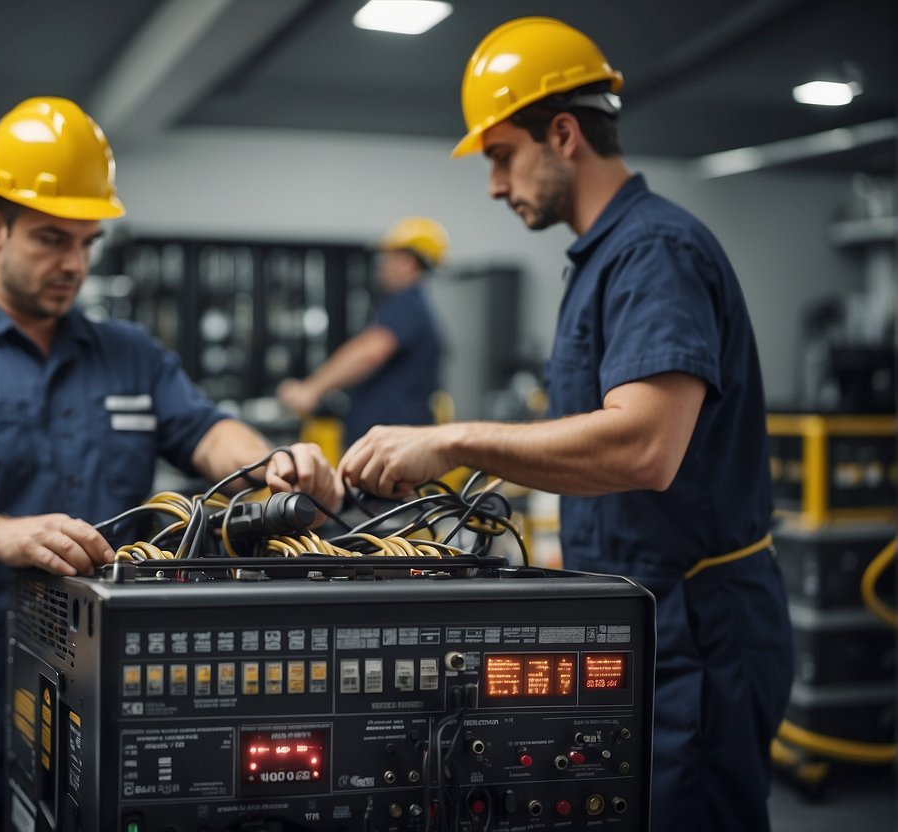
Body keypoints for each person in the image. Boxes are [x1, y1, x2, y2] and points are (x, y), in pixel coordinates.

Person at [0, 97, 341, 832]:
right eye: (51, 239)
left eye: (88, 243)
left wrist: (269, 465)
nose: (73, 264)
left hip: (98, 702)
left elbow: (204, 430)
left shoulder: (129, 355)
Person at [338, 17, 792, 832]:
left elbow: (644, 446)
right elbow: (596, 449)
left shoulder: (653, 251)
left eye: (500, 155)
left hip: (697, 630)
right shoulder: (604, 259)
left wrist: (453, 441)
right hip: (644, 618)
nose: (491, 184)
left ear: (562, 133)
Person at [277, 217, 445, 447]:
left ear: (406, 262)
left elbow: (371, 350)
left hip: (390, 450)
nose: (381, 267)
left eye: (386, 259)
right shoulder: (412, 305)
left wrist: (311, 390)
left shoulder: (407, 304)